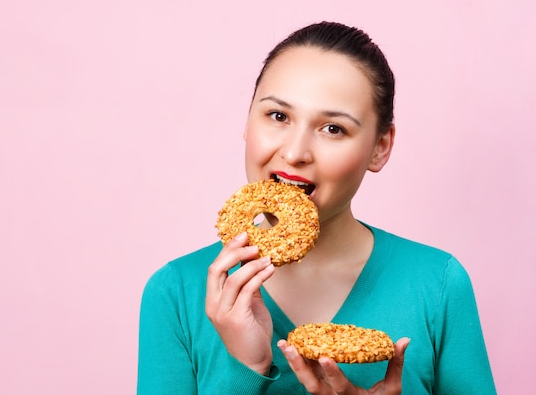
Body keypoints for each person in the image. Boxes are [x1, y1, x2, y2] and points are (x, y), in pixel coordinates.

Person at [137, 22, 496, 394]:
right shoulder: (175, 292)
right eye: (278, 116)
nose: (294, 153)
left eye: (333, 129)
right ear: (247, 120)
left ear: (380, 147)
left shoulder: (436, 284)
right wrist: (246, 369)